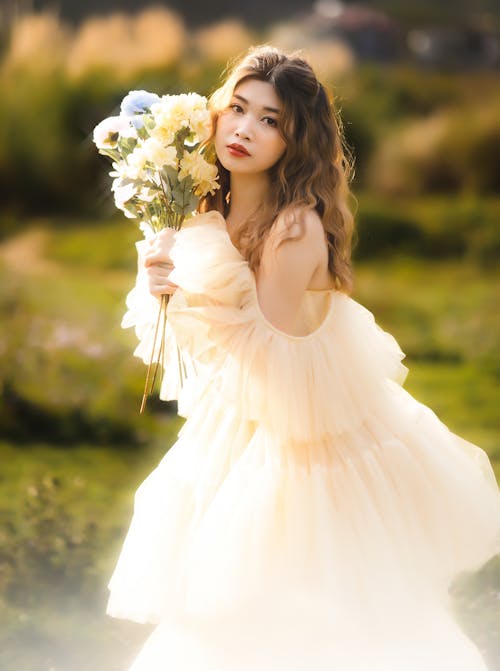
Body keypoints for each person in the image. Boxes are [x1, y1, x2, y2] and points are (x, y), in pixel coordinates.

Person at [107, 46, 500, 671]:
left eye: (271, 121)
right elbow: (204, 358)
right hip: (236, 430)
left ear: (296, 141)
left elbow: (266, 354)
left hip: (303, 442)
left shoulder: (294, 228)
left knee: (313, 616)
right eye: (237, 108)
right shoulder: (205, 209)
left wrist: (187, 297)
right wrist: (159, 279)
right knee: (220, 612)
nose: (244, 130)